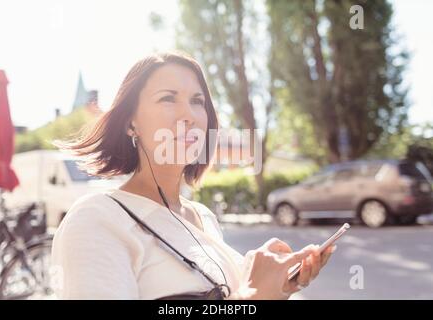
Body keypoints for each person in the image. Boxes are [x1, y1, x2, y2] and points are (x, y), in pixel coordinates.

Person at [50, 51, 335, 300]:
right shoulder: (95, 219)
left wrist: (274, 283)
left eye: (198, 101)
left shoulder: (204, 218)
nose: (189, 115)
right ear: (130, 123)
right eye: (168, 98)